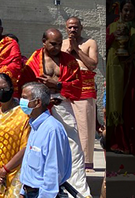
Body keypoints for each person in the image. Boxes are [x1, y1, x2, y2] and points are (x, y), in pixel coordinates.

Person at [23, 29, 90, 198]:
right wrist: (44, 100)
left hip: (63, 105)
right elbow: (26, 84)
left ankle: (79, 192)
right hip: (40, 108)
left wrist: (58, 85)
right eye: (53, 43)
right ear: (43, 41)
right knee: (37, 148)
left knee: (73, 148)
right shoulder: (34, 60)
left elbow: (78, 86)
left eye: (60, 44)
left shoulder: (68, 61)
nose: (57, 47)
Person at [105, 0, 135, 154]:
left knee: (133, 107)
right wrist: (113, 36)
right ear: (121, 11)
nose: (128, 14)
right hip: (117, 73)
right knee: (118, 106)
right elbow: (105, 46)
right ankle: (119, 143)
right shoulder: (112, 27)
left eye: (131, 11)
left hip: (134, 74)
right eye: (126, 10)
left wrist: (134, 57)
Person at [18, 82, 73, 198]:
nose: (21, 102)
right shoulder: (34, 125)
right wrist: (23, 191)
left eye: (24, 98)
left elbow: (53, 171)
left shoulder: (52, 130)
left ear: (37, 102)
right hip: (29, 192)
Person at [62, 16, 98, 170]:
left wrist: (77, 49)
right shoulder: (62, 43)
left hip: (84, 89)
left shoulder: (90, 43)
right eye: (70, 27)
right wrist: (69, 50)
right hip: (66, 89)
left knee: (85, 128)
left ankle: (85, 163)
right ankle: (68, 162)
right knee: (65, 126)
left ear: (81, 28)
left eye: (75, 27)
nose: (72, 30)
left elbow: (92, 65)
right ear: (66, 28)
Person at [0, 73, 30, 198]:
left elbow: (25, 147)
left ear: (11, 88)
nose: (2, 92)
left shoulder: (23, 114)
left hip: (15, 172)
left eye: (4, 88)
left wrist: (5, 170)